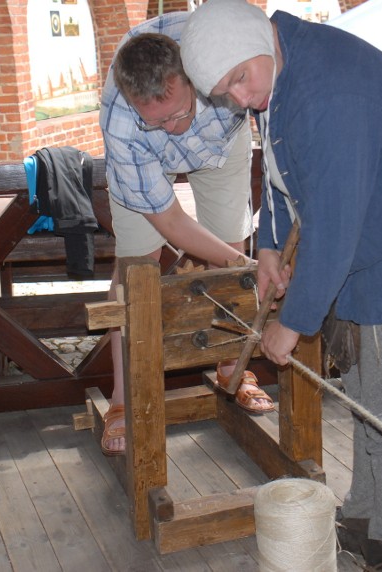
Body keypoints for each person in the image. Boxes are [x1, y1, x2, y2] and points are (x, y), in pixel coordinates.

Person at [180, 1, 382, 570]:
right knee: (368, 403)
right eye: (226, 93)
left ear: (258, 41)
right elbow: (279, 170)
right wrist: (269, 246)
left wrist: (293, 322)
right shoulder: (274, 69)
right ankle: (362, 521)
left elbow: (334, 224)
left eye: (239, 82)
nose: (241, 99)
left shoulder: (332, 93)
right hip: (371, 252)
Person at [98, 12, 276, 456]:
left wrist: (239, 261)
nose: (172, 128)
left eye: (177, 113)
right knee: (135, 271)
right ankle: (122, 398)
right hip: (144, 158)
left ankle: (232, 366)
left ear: (193, 78)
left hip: (221, 137)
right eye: (156, 120)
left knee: (228, 243)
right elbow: (172, 223)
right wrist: (249, 270)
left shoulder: (220, 60)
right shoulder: (124, 124)